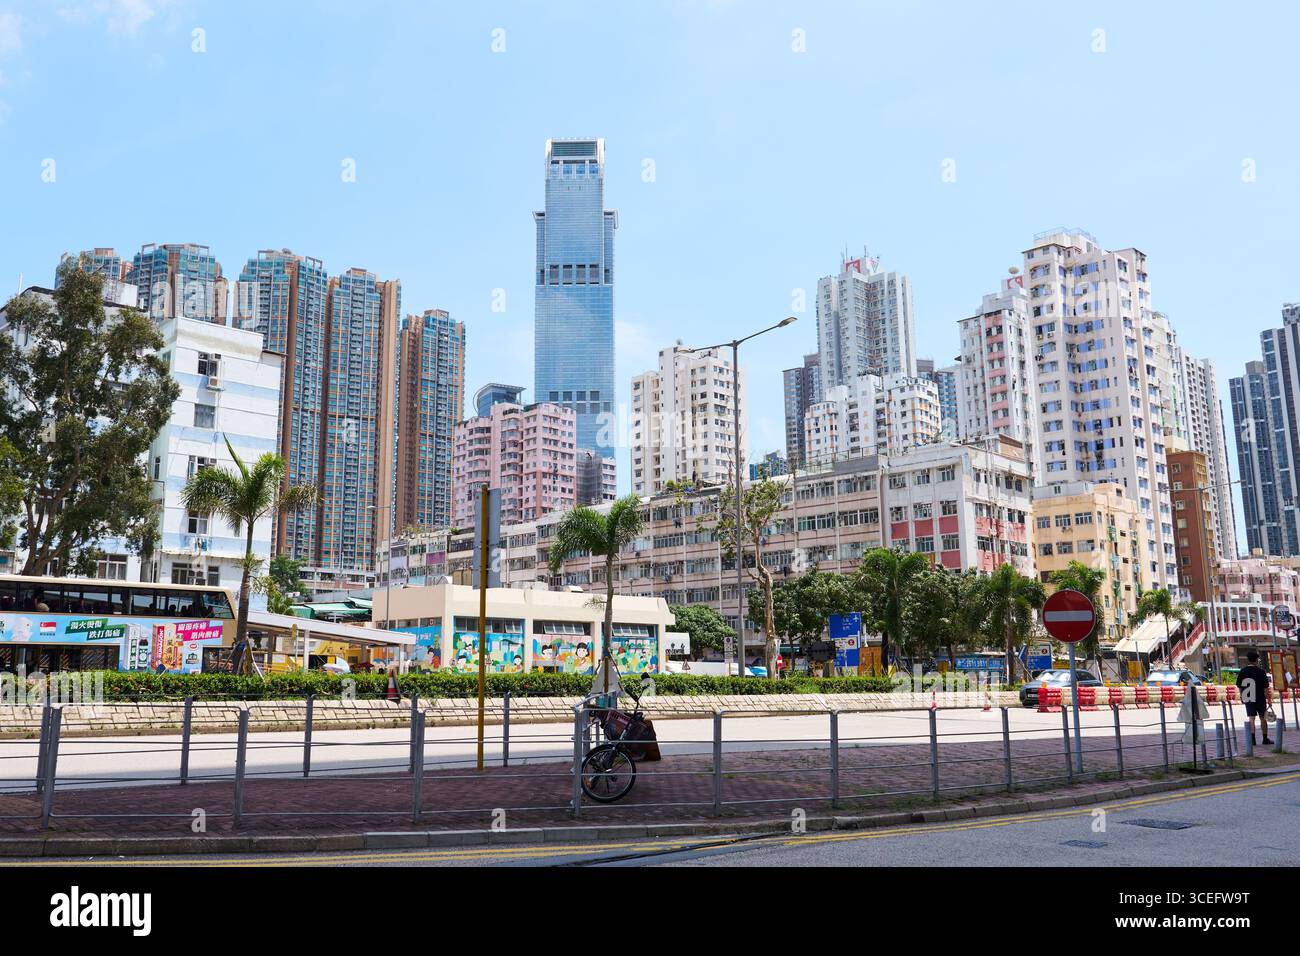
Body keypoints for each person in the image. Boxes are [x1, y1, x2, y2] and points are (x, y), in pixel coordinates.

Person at [1236, 650, 1274, 746]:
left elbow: (1239, 686)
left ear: (1248, 660)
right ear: (1256, 660)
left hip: (1248, 696)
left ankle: (1252, 739)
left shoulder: (1243, 671)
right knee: (1263, 718)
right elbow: (1266, 688)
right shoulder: (1261, 672)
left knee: (1251, 718)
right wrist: (1269, 700)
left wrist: (1241, 696)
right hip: (1260, 697)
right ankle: (1265, 738)